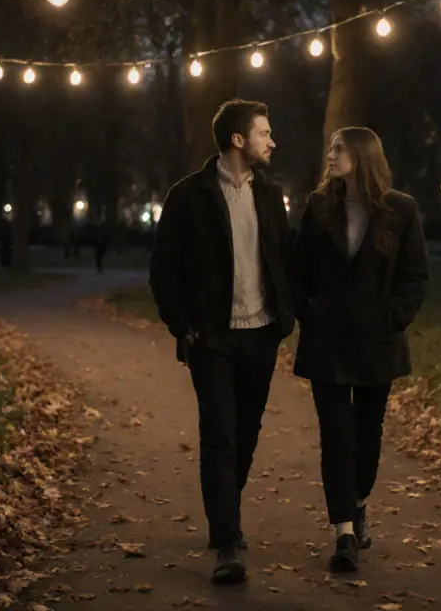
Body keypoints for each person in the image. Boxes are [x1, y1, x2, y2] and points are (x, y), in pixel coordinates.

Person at [148, 99, 297, 585]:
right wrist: (181, 323)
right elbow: (163, 267)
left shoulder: (271, 195)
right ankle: (228, 541)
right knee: (220, 435)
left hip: (261, 333)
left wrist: (285, 315)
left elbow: (285, 259)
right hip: (211, 337)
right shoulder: (188, 196)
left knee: (247, 433)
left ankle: (223, 513)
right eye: (264, 133)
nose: (272, 142)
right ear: (238, 140)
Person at [293, 127, 429, 573]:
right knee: (336, 436)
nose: (330, 155)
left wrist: (390, 318)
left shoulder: (400, 209)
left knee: (367, 437)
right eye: (330, 147)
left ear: (362, 156)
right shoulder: (317, 207)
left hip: (377, 344)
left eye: (339, 149)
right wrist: (309, 312)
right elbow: (299, 271)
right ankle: (344, 532)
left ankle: (358, 501)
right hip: (327, 342)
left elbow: (414, 277)